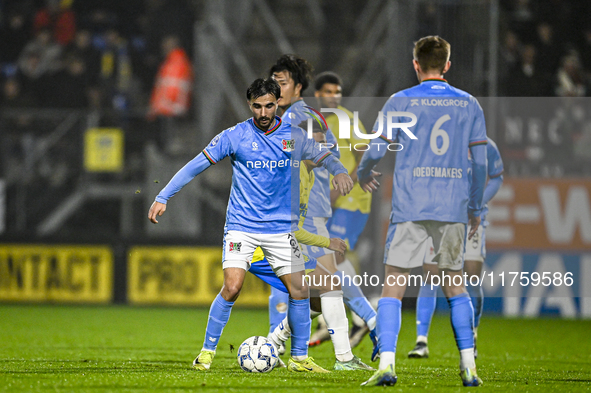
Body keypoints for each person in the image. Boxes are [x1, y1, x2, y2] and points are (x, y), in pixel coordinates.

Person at [148, 78, 354, 373]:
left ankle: (299, 359)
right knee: (232, 287)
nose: (263, 112)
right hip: (242, 226)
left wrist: (340, 171)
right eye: (257, 106)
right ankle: (206, 353)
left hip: (281, 230)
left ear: (277, 102)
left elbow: (325, 156)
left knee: (299, 291)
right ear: (250, 105)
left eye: (269, 105)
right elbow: (196, 164)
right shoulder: (235, 136)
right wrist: (163, 196)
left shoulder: (294, 135)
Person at [357, 36, 487, 387]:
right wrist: (474, 206)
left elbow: (376, 149)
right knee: (455, 288)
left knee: (393, 288)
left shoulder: (400, 101)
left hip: (410, 207)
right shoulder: (469, 104)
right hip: (452, 206)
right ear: (447, 64)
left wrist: (363, 172)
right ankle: (468, 366)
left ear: (416, 65)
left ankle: (386, 365)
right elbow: (481, 163)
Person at [248, 158, 373, 371]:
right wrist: (327, 242)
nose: (325, 149)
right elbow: (290, 226)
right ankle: (344, 359)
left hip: (284, 245)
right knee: (330, 285)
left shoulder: (308, 174)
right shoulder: (293, 175)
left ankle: (273, 342)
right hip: (269, 248)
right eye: (319, 143)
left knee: (316, 301)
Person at [408, 137, 504, 359]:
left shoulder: (487, 145)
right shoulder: (441, 139)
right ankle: (421, 341)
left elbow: (497, 177)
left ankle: (473, 335)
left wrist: (478, 203)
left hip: (472, 218)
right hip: (442, 216)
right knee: (431, 273)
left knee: (471, 273)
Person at [309, 71, 377, 349]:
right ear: (318, 94)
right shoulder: (315, 122)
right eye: (328, 91)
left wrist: (340, 188)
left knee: (333, 256)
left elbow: (365, 155)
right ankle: (341, 315)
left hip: (352, 200)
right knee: (325, 258)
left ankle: (360, 317)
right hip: (330, 199)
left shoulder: (349, 120)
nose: (334, 96)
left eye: (337, 91)